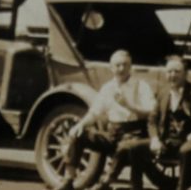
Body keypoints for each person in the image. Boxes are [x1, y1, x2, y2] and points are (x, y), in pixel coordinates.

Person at [55, 49, 156, 190]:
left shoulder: (141, 86)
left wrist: (129, 105)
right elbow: (95, 112)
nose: (121, 69)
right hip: (112, 133)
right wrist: (81, 124)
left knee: (125, 146)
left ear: (130, 66)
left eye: (125, 65)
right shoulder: (108, 88)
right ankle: (68, 180)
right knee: (79, 135)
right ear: (111, 68)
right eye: (118, 65)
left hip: (135, 134)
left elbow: (151, 113)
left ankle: (105, 182)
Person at [141, 56, 191, 190]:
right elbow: (152, 119)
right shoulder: (163, 93)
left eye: (177, 72)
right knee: (134, 147)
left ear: (185, 74)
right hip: (167, 141)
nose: (172, 75)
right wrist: (154, 138)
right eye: (169, 71)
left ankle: (181, 188)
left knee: (185, 151)